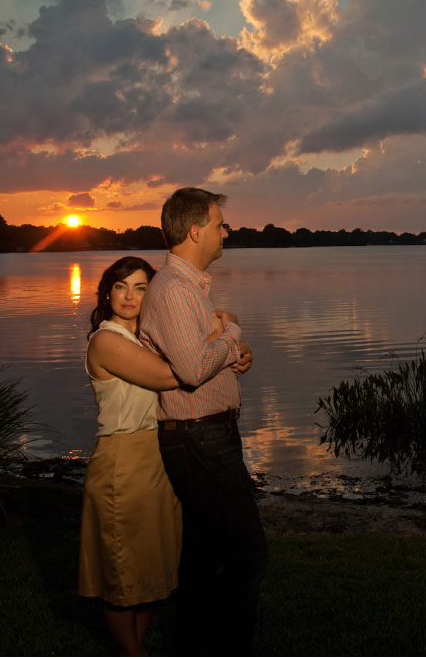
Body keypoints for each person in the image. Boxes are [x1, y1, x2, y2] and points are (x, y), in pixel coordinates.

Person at [139, 187, 267, 656]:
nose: (225, 231)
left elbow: (199, 357)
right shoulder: (174, 289)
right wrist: (231, 338)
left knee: (204, 556)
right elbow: (193, 369)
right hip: (199, 436)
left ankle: (194, 645)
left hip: (205, 434)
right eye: (220, 224)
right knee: (246, 552)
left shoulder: (189, 288)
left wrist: (232, 353)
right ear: (196, 231)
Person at [77, 256, 185, 656]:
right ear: (108, 292)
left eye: (141, 287)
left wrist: (237, 339)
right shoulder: (106, 341)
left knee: (154, 571)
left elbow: (214, 322)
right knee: (123, 574)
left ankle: (135, 647)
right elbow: (169, 376)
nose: (130, 295)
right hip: (122, 461)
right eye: (121, 286)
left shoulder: (151, 337)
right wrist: (223, 351)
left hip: (158, 461)